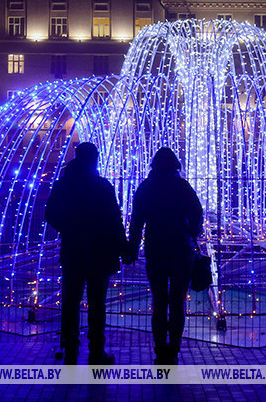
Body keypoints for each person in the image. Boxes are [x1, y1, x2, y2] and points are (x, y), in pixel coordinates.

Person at [45, 142, 126, 365]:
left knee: (70, 301)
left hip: (72, 250)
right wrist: (123, 247)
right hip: (100, 250)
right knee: (97, 302)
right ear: (94, 159)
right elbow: (114, 219)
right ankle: (96, 350)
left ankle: (70, 348)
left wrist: (68, 228)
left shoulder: (64, 185)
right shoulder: (102, 187)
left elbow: (49, 213)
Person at [126, 147, 203, 364]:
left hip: (156, 249)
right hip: (181, 249)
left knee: (159, 301)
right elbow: (197, 212)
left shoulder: (146, 188)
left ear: (154, 165)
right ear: (175, 166)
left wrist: (133, 247)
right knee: (177, 301)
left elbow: (136, 222)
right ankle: (174, 348)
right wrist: (192, 233)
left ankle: (160, 348)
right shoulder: (181, 186)